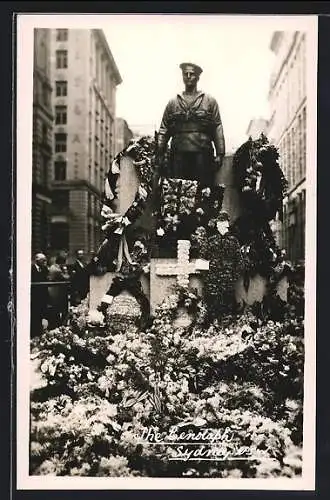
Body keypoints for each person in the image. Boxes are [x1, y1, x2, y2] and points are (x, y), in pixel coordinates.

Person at [157, 62, 225, 186]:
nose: (188, 76)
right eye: (185, 74)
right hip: (178, 153)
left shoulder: (209, 101)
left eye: (192, 74)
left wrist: (220, 153)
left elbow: (217, 126)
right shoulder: (173, 103)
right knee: (178, 189)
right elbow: (164, 129)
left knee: (203, 189)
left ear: (198, 77)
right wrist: (160, 152)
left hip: (202, 153)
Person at [48, 254, 70, 329]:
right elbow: (66, 277)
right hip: (56, 292)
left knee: (55, 310)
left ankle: (56, 325)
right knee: (57, 309)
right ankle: (58, 326)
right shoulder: (57, 270)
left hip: (53, 291)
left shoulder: (53, 266)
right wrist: (65, 270)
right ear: (62, 262)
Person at [30, 253, 49, 337]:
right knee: (35, 316)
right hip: (34, 297)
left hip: (42, 297)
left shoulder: (44, 269)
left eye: (45, 260)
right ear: (37, 260)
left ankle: (39, 333)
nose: (45, 262)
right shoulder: (31, 269)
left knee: (41, 316)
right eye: (43, 260)